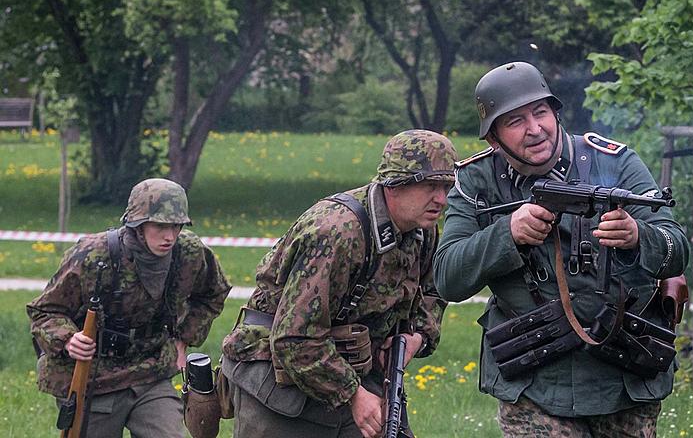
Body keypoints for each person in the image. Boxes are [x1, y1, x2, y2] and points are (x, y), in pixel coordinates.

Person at [433, 61, 689, 437]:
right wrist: (507, 233)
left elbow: (676, 248)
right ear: (494, 139)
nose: (535, 129)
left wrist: (638, 236)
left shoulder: (616, 163)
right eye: (515, 121)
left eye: (540, 113)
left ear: (555, 112)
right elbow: (447, 278)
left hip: (623, 373)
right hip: (535, 381)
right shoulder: (477, 181)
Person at [221, 129, 458, 438]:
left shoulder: (422, 229)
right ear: (394, 185)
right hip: (282, 383)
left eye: (446, 187)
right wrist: (353, 395)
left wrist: (418, 337)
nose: (441, 199)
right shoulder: (338, 232)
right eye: (429, 186)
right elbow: (295, 338)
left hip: (358, 371)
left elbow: (434, 288)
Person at [27, 177, 231, 438]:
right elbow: (45, 311)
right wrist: (69, 339)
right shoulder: (93, 255)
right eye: (160, 226)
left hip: (152, 374)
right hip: (95, 379)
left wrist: (184, 339)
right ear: (137, 224)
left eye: (177, 226)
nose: (170, 236)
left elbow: (213, 293)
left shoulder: (189, 252)